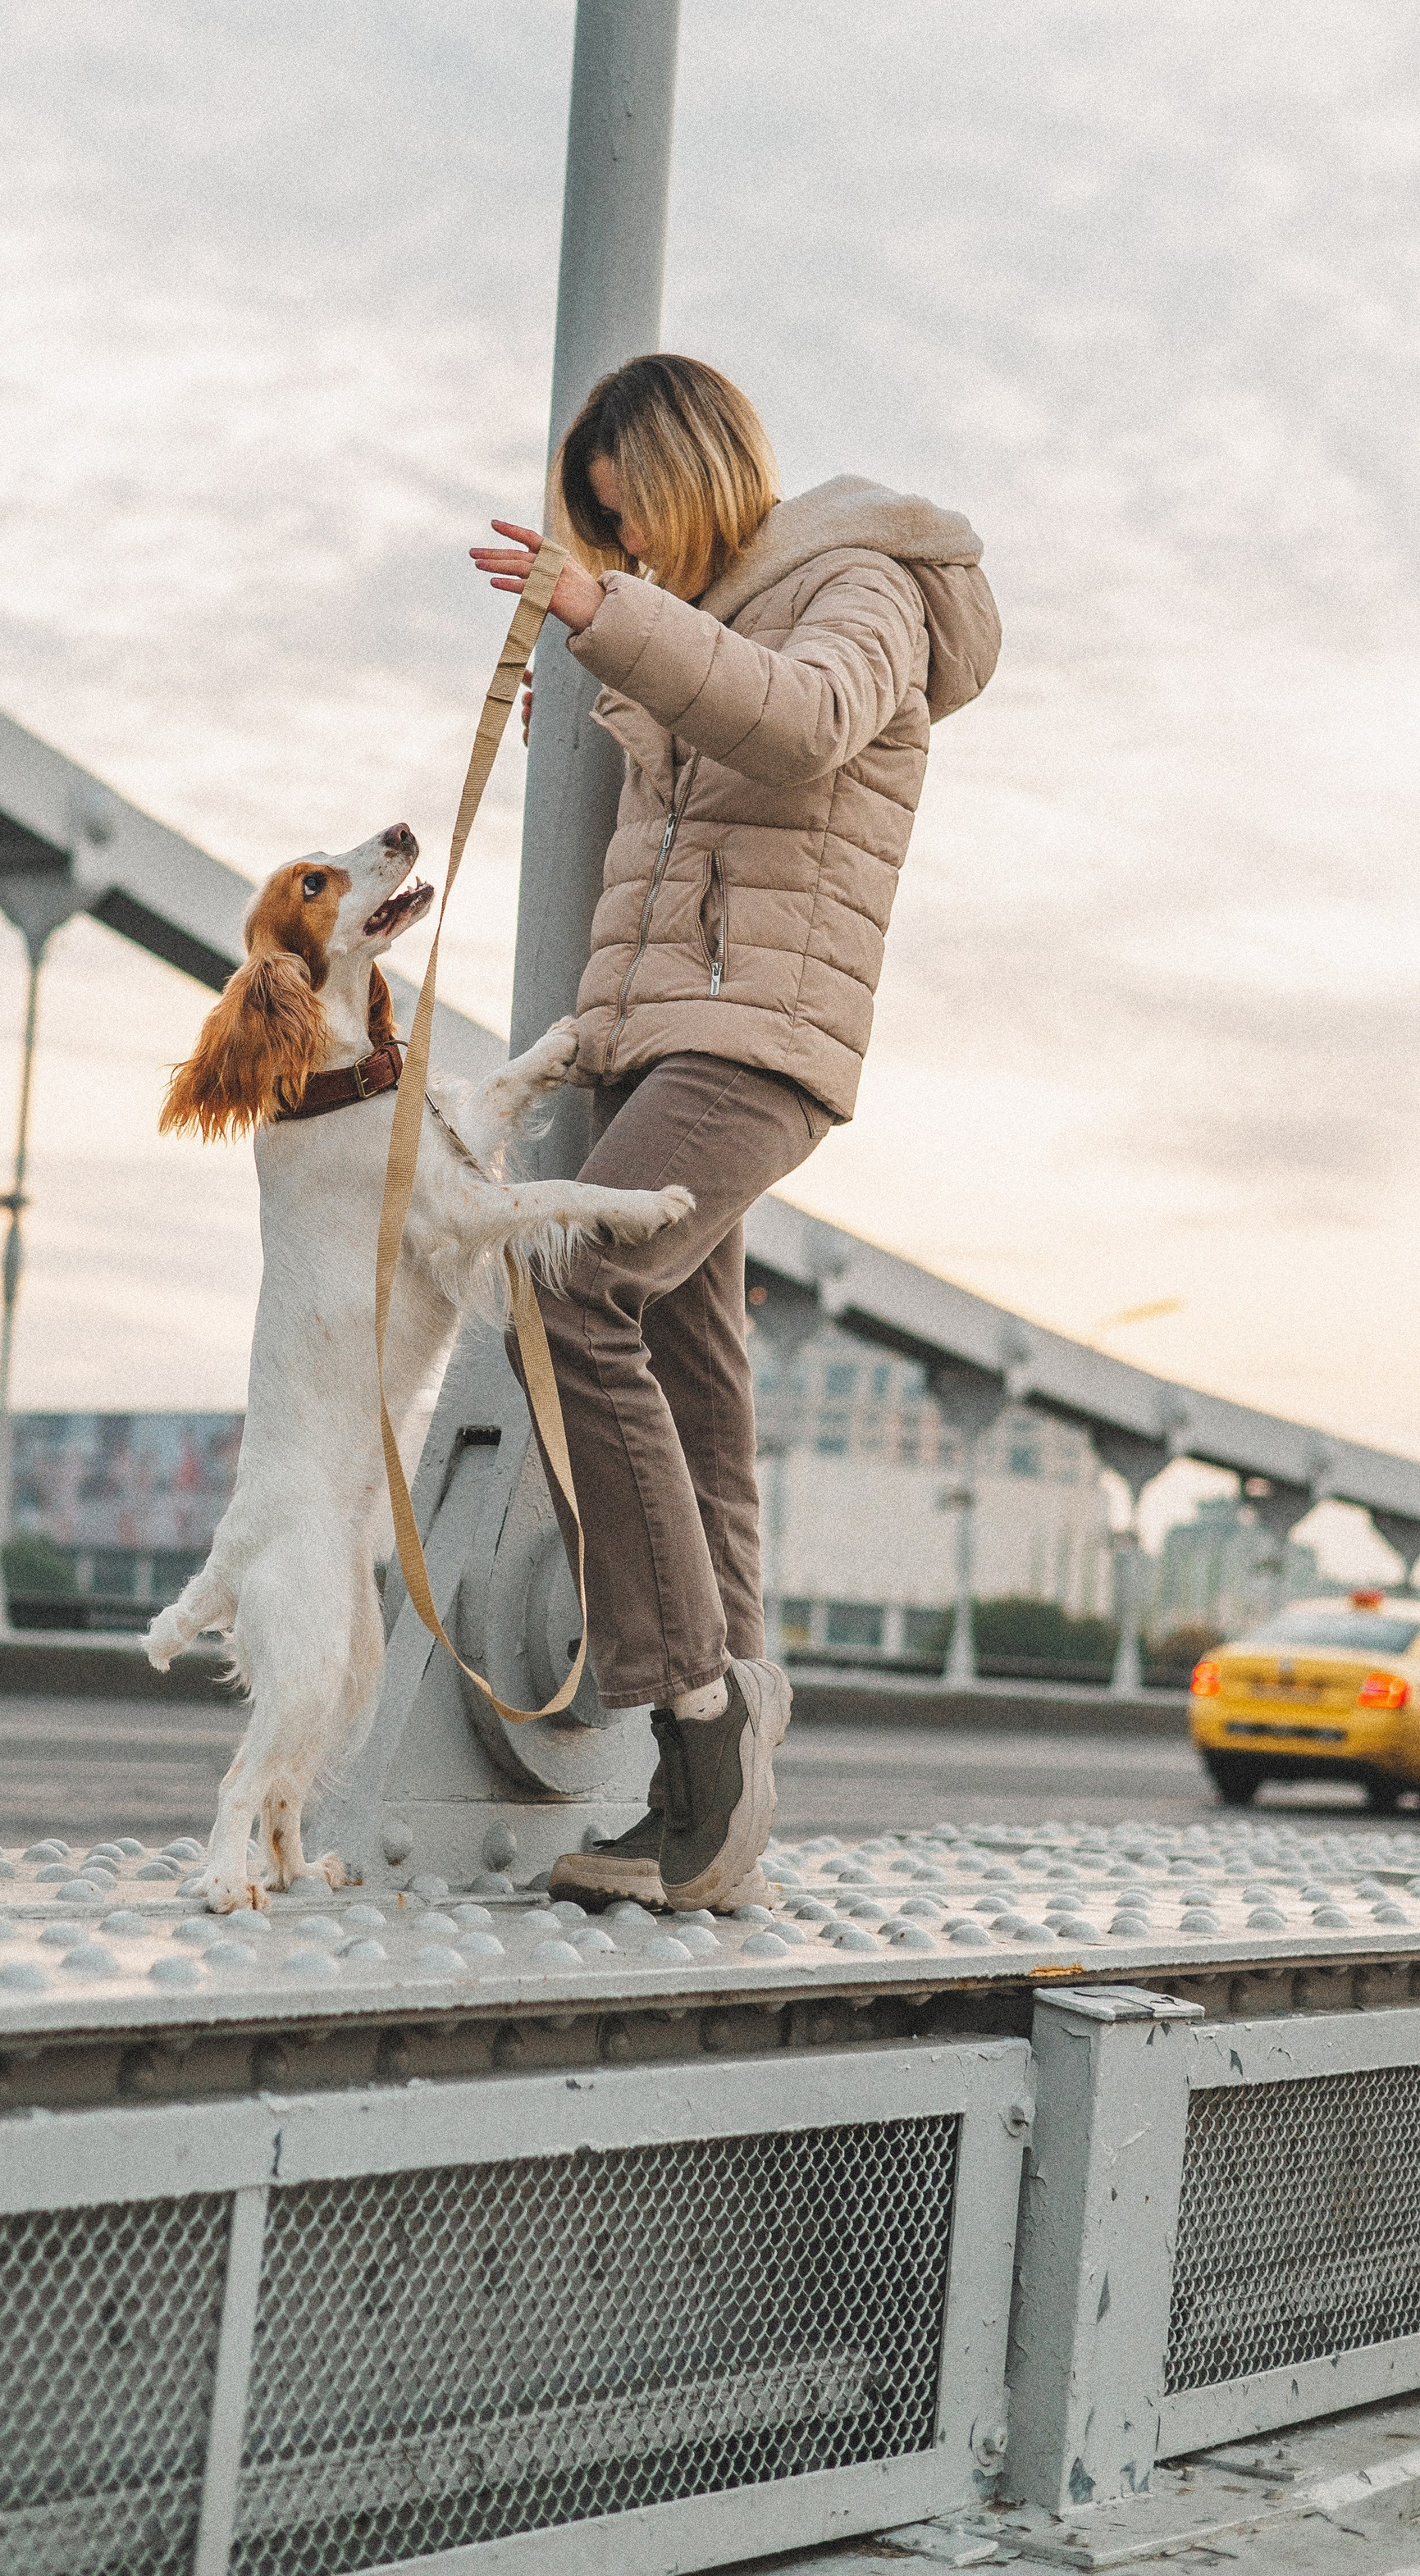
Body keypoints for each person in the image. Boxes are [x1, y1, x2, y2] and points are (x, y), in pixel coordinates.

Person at [468, 353, 998, 1913]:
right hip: (660, 1045)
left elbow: (808, 725)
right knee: (695, 1372)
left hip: (757, 1041)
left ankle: (691, 1724)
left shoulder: (860, 582)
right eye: (607, 542)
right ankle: (731, 1744)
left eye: (634, 522)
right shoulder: (676, 627)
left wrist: (602, 615)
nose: (628, 558)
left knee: (571, 1283)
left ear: (690, 473)